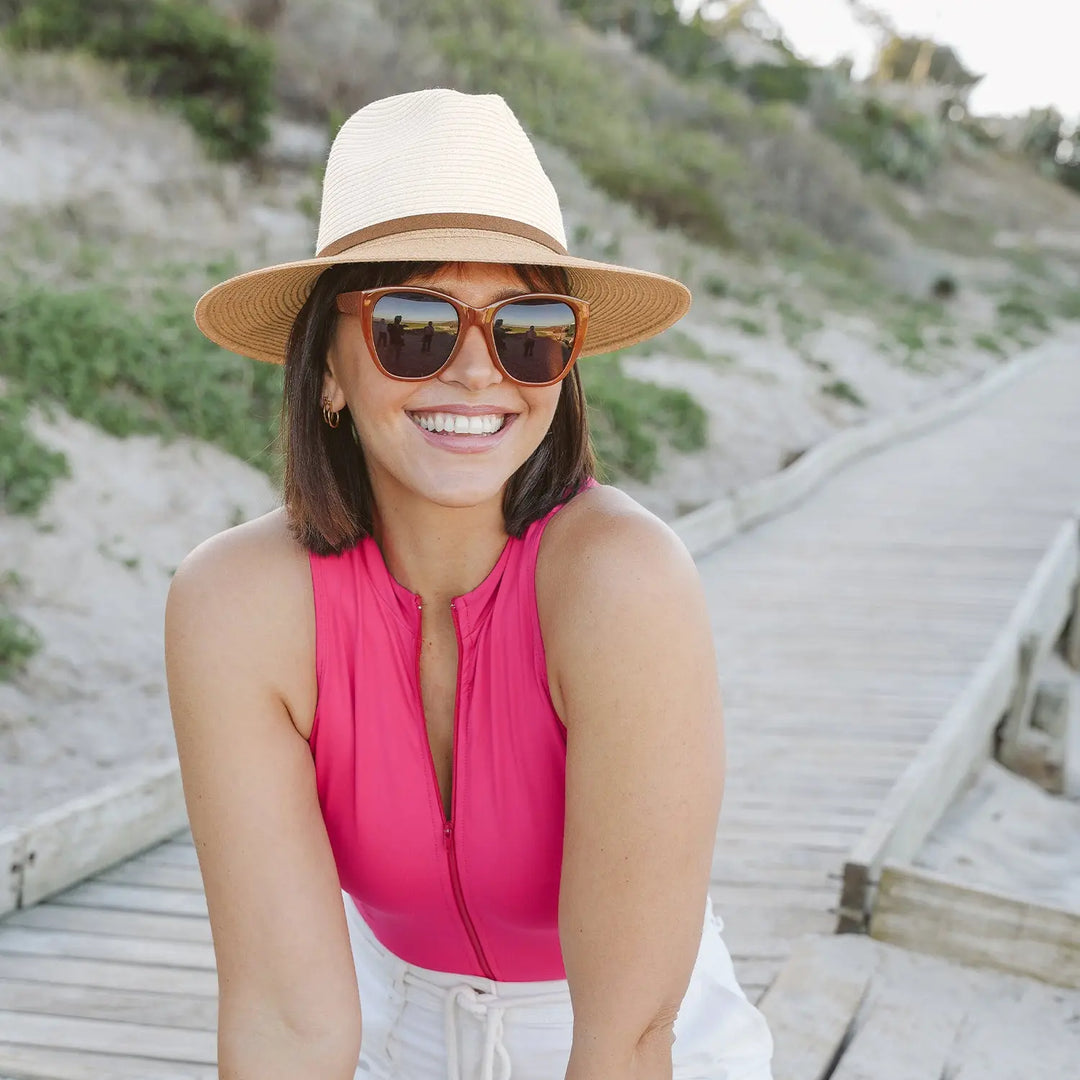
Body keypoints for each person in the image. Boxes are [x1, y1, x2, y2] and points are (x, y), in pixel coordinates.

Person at [168, 88, 774, 1080]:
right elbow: (286, 1022)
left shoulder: (623, 583)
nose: (480, 374)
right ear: (328, 368)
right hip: (393, 1034)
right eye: (415, 327)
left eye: (528, 329)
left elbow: (626, 1039)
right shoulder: (235, 604)